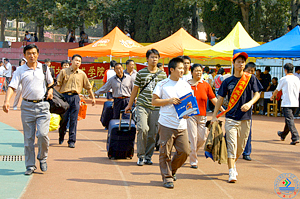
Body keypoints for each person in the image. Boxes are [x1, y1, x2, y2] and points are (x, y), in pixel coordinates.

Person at [2, 44, 54, 175]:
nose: (32, 56)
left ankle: (42, 157)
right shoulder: (20, 70)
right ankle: (30, 165)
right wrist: (7, 101)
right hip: (27, 107)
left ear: (38, 54)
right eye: (29, 53)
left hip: (43, 106)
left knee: (42, 135)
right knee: (28, 138)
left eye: (34, 53)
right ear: (24, 55)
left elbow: (51, 82)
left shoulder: (44, 68)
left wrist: (51, 89)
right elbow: (12, 86)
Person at [211, 52, 263, 183]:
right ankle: (231, 171)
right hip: (231, 118)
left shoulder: (250, 78)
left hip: (246, 118)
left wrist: (250, 103)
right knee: (232, 145)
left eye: (243, 62)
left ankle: (232, 164)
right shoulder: (227, 81)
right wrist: (214, 116)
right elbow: (220, 99)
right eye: (238, 61)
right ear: (233, 63)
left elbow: (257, 94)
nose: (241, 64)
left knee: (241, 147)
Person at [152, 57, 192, 189]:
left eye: (183, 68)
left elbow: (189, 103)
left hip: (181, 125)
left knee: (185, 151)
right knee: (165, 152)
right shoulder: (162, 84)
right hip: (166, 124)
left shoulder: (186, 85)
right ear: (172, 70)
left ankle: (172, 170)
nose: (183, 70)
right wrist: (169, 101)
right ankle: (167, 177)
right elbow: (154, 101)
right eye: (180, 68)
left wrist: (188, 113)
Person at [125, 48, 167, 166]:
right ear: (147, 59)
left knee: (153, 133)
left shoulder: (162, 75)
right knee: (143, 129)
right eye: (152, 57)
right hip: (142, 105)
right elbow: (135, 90)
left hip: (156, 107)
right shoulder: (141, 73)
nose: (154, 59)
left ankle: (148, 156)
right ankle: (141, 155)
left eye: (156, 57)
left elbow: (165, 92)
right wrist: (129, 105)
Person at [187, 64, 224, 169]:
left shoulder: (206, 85)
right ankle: (193, 161)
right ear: (192, 72)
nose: (198, 73)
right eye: (196, 71)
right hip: (190, 116)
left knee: (202, 138)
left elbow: (213, 99)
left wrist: (221, 109)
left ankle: (192, 151)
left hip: (202, 116)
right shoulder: (186, 85)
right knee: (193, 137)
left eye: (200, 71)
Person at [56, 54, 96, 148]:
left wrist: (93, 97)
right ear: (72, 61)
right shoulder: (64, 72)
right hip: (64, 97)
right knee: (64, 119)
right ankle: (61, 135)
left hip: (75, 97)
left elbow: (88, 87)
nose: (77, 62)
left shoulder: (82, 74)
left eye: (79, 61)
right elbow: (58, 86)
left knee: (74, 120)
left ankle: (72, 141)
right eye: (76, 60)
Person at [271, 63, 300, 145]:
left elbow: (277, 89)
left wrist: (272, 96)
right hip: (295, 102)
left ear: (285, 70)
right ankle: (283, 134)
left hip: (287, 103)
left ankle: (295, 137)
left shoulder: (284, 79)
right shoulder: (297, 79)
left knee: (289, 120)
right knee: (289, 120)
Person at [242, 62, 256, 161]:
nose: (250, 73)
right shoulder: (238, 79)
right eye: (248, 70)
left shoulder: (253, 80)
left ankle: (247, 152)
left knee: (247, 131)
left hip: (247, 110)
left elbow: (257, 93)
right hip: (235, 110)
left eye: (252, 71)